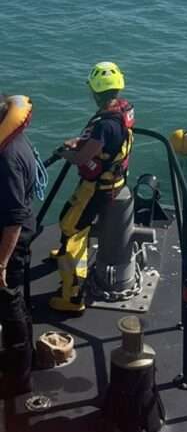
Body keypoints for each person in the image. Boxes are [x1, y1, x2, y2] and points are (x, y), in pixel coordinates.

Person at [50, 62, 134, 314]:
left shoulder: (104, 124)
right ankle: (68, 251)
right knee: (73, 215)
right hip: (113, 180)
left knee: (70, 228)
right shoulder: (123, 110)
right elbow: (103, 142)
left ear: (95, 92)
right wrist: (80, 141)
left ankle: (72, 296)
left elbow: (80, 158)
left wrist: (66, 152)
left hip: (98, 186)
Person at [0, 94, 37, 396]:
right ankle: (24, 361)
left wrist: (0, 264)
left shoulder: (7, 157)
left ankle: (17, 380)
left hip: (10, 239)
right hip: (17, 232)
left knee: (9, 301)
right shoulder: (16, 139)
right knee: (17, 302)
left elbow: (13, 219)